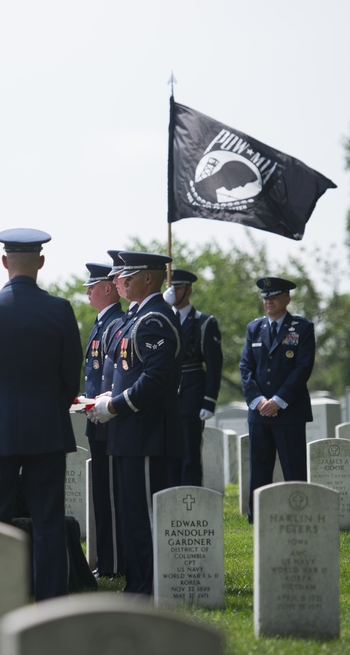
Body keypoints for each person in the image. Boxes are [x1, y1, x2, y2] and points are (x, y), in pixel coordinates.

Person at [0, 229, 82, 601]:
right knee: (47, 521)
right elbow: (69, 376)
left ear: (3, 261)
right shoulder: (60, 311)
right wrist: (49, 409)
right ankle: (49, 599)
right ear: (41, 262)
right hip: (46, 429)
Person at [89, 251, 183, 595]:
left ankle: (148, 585)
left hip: (147, 435)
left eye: (128, 275)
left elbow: (156, 379)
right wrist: (103, 401)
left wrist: (115, 406)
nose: (119, 281)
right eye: (119, 276)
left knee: (145, 516)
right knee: (131, 515)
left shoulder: (154, 319)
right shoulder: (135, 318)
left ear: (148, 277)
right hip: (129, 434)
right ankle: (138, 580)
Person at [239, 277, 315, 522]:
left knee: (293, 467)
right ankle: (258, 516)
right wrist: (259, 400)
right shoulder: (254, 328)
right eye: (265, 297)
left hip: (289, 411)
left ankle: (298, 512)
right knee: (259, 467)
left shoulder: (302, 327)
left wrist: (279, 400)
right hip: (259, 412)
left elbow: (302, 368)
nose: (268, 301)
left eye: (273, 297)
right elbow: (245, 367)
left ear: (286, 299)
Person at [81, 262, 124, 578]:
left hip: (108, 420)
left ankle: (111, 564)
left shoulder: (116, 322)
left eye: (92, 286)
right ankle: (106, 561)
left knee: (110, 496)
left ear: (108, 288)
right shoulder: (103, 322)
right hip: (97, 419)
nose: (87, 292)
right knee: (102, 494)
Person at [162, 268, 223, 486]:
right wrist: (164, 307)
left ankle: (191, 502)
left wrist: (209, 400)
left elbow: (214, 366)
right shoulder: (163, 318)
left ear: (189, 290)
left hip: (191, 394)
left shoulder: (204, 323)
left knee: (189, 453)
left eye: (178, 287)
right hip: (167, 395)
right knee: (168, 455)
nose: (174, 291)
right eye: (171, 287)